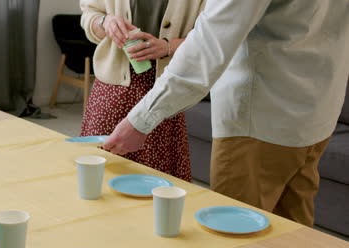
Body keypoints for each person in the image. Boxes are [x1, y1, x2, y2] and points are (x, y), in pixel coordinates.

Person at [104, 0, 349, 227]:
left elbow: (207, 46)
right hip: (317, 111)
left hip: (258, 124)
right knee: (293, 234)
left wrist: (140, 121)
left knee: (234, 238)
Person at [79, 0, 204, 182]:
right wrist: (105, 22)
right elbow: (89, 15)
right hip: (112, 91)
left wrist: (168, 46)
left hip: (166, 90)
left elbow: (212, 38)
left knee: (156, 183)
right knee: (97, 174)